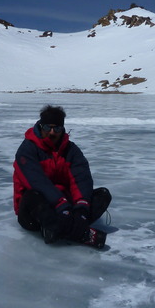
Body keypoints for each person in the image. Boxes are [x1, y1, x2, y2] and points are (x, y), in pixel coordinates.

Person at [13, 104, 111, 245]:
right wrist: (61, 206)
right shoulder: (27, 150)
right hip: (34, 212)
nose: (52, 132)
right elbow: (37, 181)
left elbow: (81, 179)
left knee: (102, 195)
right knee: (32, 195)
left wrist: (81, 210)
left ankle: (58, 228)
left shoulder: (71, 151)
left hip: (65, 208)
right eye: (48, 127)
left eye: (57, 128)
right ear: (41, 126)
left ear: (62, 129)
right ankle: (81, 233)